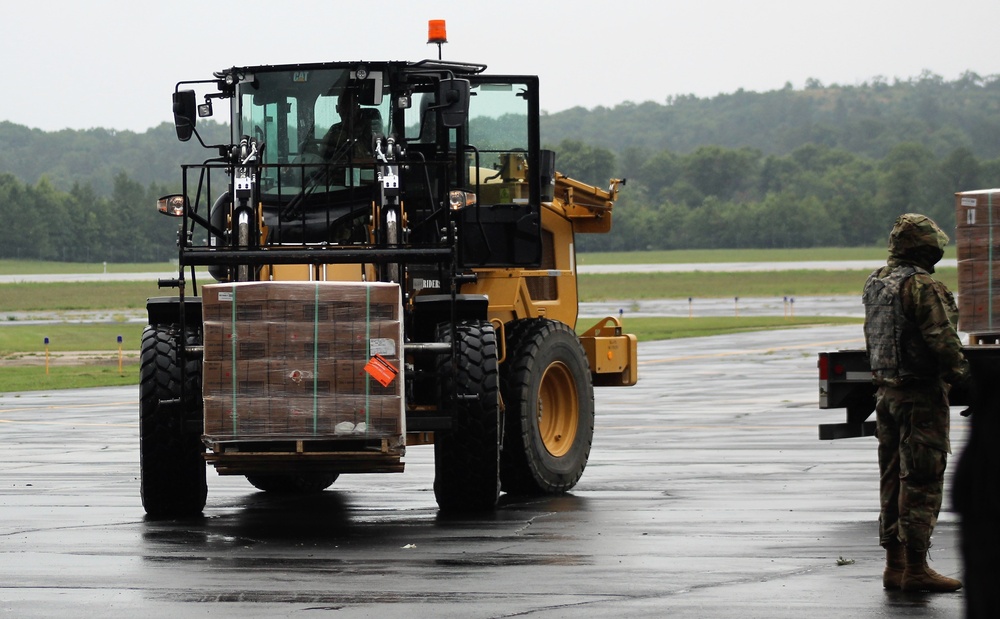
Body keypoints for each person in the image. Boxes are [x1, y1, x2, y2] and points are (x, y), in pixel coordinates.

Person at [862, 213, 969, 593]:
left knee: (892, 479)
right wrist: (970, 385)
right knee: (921, 480)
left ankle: (895, 564)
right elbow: (943, 344)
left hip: (886, 394)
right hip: (920, 398)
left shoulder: (876, 282)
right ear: (926, 247)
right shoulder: (923, 287)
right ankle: (917, 567)